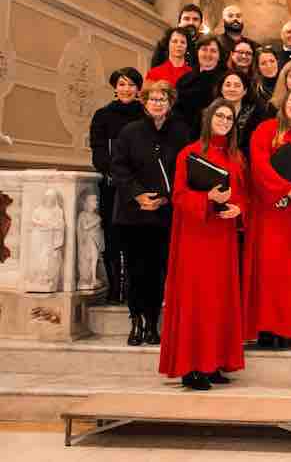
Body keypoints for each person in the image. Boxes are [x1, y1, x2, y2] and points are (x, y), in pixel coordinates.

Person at [159, 100, 247, 390]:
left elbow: (243, 195)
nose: (224, 121)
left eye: (229, 118)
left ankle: (214, 362)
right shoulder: (190, 153)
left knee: (220, 300)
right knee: (197, 300)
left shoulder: (236, 157)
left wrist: (238, 210)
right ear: (208, 118)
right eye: (219, 116)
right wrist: (208, 198)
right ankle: (191, 366)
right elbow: (180, 197)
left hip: (223, 237)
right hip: (195, 238)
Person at [110, 81, 191, 346]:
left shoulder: (181, 133)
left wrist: (165, 198)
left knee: (157, 271)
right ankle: (136, 322)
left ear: (170, 103)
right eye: (153, 99)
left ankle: (153, 322)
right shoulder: (129, 132)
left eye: (162, 99)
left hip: (165, 213)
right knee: (136, 269)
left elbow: (186, 169)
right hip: (134, 213)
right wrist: (138, 195)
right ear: (144, 102)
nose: (157, 103)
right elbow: (119, 168)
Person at [245, 88, 291, 350]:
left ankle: (287, 328)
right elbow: (259, 165)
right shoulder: (266, 130)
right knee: (268, 270)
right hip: (270, 211)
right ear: (283, 103)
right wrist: (284, 189)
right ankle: (266, 328)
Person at [89, 67, 145, 304]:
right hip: (113, 186)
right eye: (122, 84)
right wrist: (116, 174)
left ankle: (136, 288)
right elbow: (98, 153)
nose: (126, 89)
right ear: (115, 88)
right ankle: (115, 289)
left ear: (138, 89)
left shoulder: (146, 115)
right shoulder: (102, 116)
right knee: (113, 238)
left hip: (141, 187)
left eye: (131, 84)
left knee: (139, 238)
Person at [174, 35, 224, 139]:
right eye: (204, 49)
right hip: (181, 134)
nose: (208, 54)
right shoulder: (184, 79)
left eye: (213, 51)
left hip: (210, 135)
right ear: (197, 53)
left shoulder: (224, 80)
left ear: (220, 56)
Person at [218, 71, 260, 155]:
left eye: (237, 86)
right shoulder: (209, 113)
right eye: (228, 85)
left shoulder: (256, 114)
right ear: (221, 90)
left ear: (245, 91)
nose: (232, 89)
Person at [150, 5, 203, 69]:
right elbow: (155, 70)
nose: (191, 22)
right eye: (186, 19)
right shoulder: (164, 45)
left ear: (200, 25)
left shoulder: (204, 47)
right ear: (179, 23)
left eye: (195, 19)